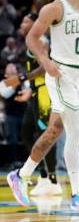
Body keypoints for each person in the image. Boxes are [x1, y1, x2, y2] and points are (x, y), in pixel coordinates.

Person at [6, 0, 79, 210]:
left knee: (57, 130)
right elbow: (31, 38)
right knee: (76, 131)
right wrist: (46, 62)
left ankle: (21, 175)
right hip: (60, 73)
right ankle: (77, 194)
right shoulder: (55, 8)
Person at [3, 13, 61, 195]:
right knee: (26, 132)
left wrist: (21, 79)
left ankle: (52, 179)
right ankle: (43, 173)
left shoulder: (42, 41)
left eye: (25, 21)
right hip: (36, 91)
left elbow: (44, 68)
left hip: (45, 92)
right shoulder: (32, 42)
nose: (22, 24)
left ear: (35, 23)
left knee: (46, 133)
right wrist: (29, 89)